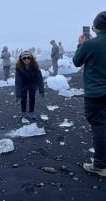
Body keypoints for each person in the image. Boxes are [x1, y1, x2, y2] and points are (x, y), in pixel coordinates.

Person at [73, 11, 106, 176]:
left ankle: (100, 165)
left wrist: (81, 44)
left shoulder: (90, 44)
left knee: (99, 126)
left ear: (96, 27)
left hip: (96, 92)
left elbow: (77, 61)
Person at [15, 51, 44, 119]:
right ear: (21, 60)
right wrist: (18, 95)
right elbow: (18, 82)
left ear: (31, 58)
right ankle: (23, 112)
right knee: (23, 97)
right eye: (24, 58)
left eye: (28, 57)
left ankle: (31, 112)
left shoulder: (35, 66)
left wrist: (41, 90)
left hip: (33, 83)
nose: (26, 59)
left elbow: (39, 78)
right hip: (23, 84)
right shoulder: (19, 68)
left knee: (32, 97)